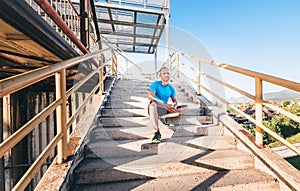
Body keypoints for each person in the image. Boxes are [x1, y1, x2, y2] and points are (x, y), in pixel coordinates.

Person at [148, 67, 188, 143]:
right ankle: (157, 132)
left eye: (168, 73)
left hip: (165, 109)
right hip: (155, 107)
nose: (166, 75)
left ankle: (165, 119)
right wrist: (164, 105)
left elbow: (175, 100)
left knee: (185, 108)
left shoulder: (171, 88)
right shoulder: (155, 84)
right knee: (153, 104)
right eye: (164, 73)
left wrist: (175, 105)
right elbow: (150, 97)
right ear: (160, 75)